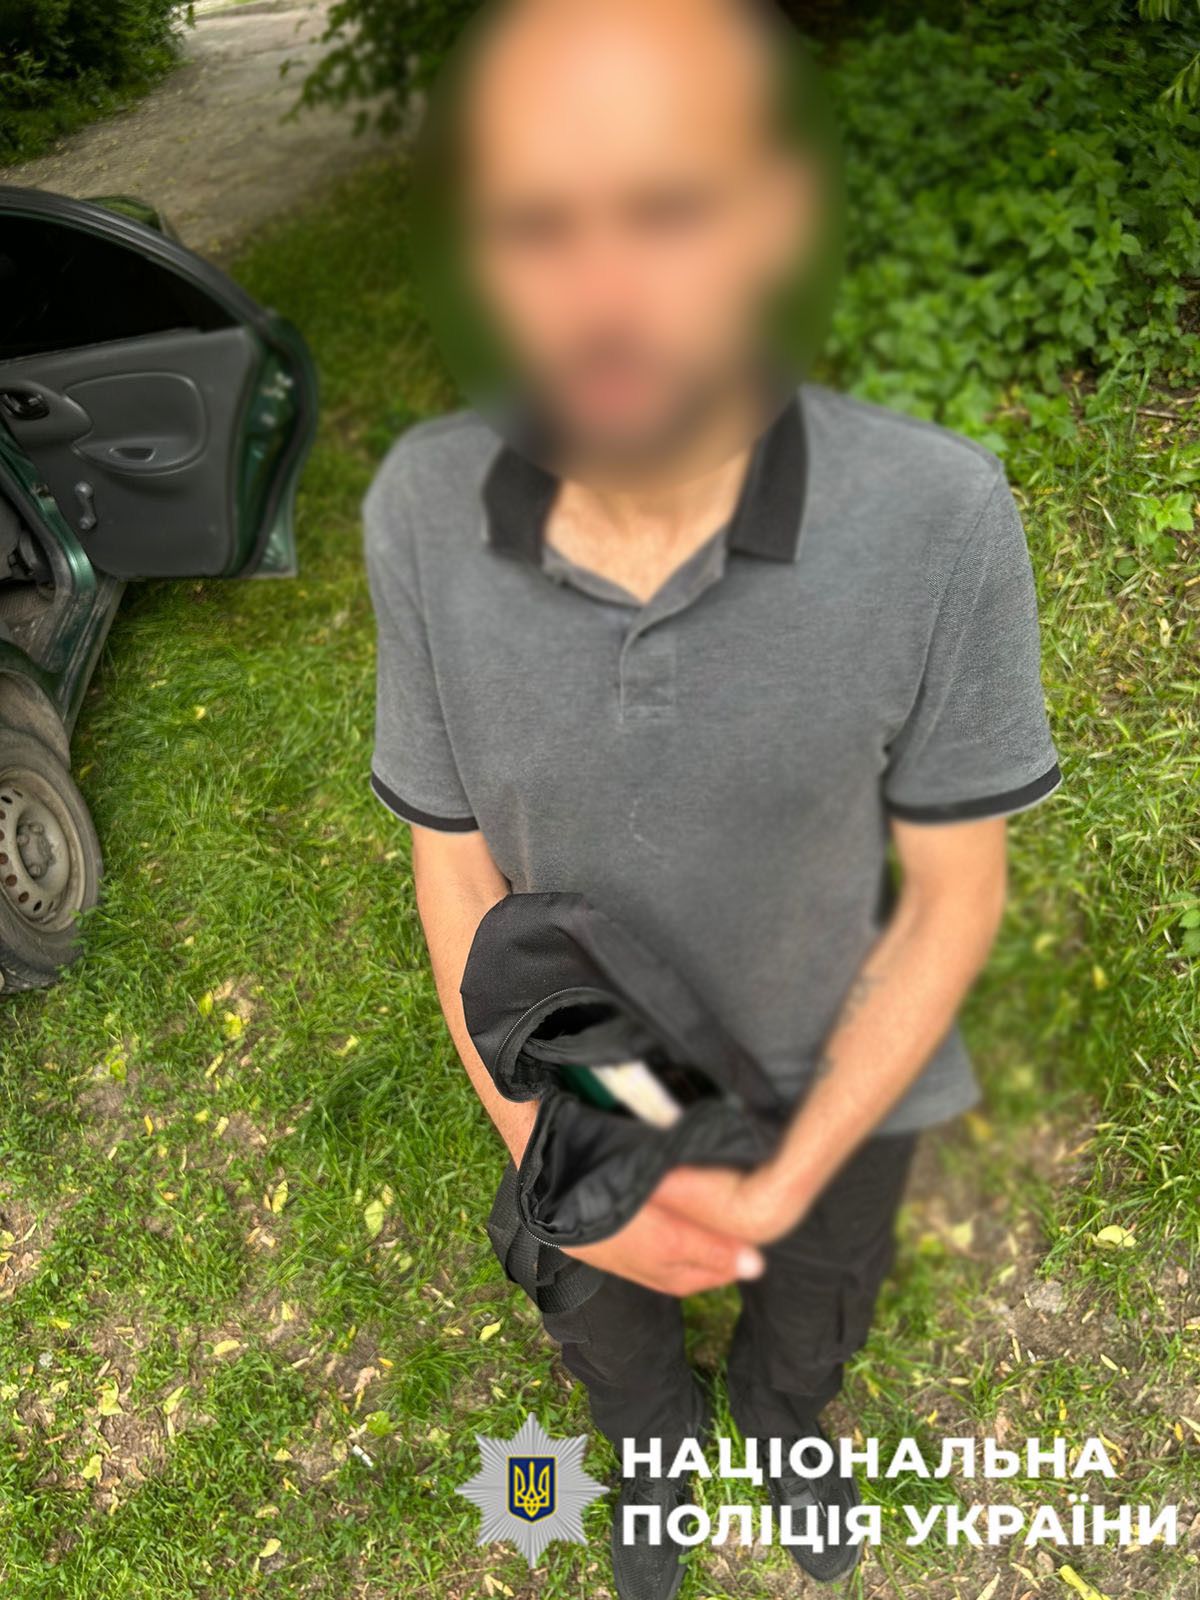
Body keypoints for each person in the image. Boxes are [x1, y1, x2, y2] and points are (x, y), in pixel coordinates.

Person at [365, 0, 1060, 1592]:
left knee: (817, 1305)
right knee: (607, 1329)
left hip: (836, 1068)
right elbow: (454, 872)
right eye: (538, 223)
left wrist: (787, 1180)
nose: (602, 291)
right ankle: (654, 1448)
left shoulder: (941, 520)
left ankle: (782, 1415)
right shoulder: (421, 513)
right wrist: (564, 1168)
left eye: (670, 208)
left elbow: (955, 894)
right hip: (590, 1074)